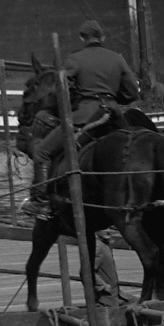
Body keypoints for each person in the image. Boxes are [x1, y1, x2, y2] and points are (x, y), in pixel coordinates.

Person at [30, 21, 141, 204]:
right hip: (115, 116)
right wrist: (112, 98)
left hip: (85, 117)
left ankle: (40, 202)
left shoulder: (74, 59)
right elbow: (132, 93)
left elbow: (60, 91)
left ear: (82, 38)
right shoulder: (117, 59)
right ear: (102, 37)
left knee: (41, 153)